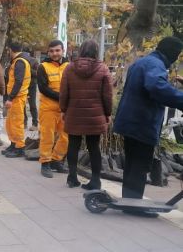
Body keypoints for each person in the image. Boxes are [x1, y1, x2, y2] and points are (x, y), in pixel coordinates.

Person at [114, 37, 183, 216]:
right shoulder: (155, 65)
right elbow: (156, 86)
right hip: (141, 122)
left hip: (131, 121)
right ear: (172, 54)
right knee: (139, 165)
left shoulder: (144, 61)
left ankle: (129, 202)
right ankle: (134, 207)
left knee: (132, 164)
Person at [60, 40, 113, 189]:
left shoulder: (69, 68)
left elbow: (64, 92)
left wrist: (63, 109)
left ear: (81, 50)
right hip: (95, 115)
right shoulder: (103, 68)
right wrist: (107, 113)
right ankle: (95, 181)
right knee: (94, 147)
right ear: (96, 51)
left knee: (73, 144)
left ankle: (72, 177)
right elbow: (107, 95)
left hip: (73, 112)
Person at [38, 40, 69, 178]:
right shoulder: (43, 67)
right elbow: (43, 88)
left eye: (57, 50)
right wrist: (62, 97)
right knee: (47, 137)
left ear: (63, 50)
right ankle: (45, 163)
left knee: (65, 137)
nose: (54, 53)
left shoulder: (69, 66)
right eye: (51, 51)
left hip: (65, 109)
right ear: (48, 52)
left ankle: (57, 160)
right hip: (48, 108)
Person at [2, 43, 31, 158]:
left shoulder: (20, 62)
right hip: (16, 97)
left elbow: (18, 81)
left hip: (17, 98)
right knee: (10, 123)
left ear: (10, 50)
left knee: (17, 123)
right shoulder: (18, 61)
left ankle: (19, 148)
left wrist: (10, 98)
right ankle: (13, 144)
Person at [25, 52, 39, 131]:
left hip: (32, 85)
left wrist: (27, 69)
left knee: (32, 104)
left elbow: (37, 73)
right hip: (23, 84)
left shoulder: (34, 61)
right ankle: (24, 122)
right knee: (22, 104)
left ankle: (35, 123)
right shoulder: (20, 60)